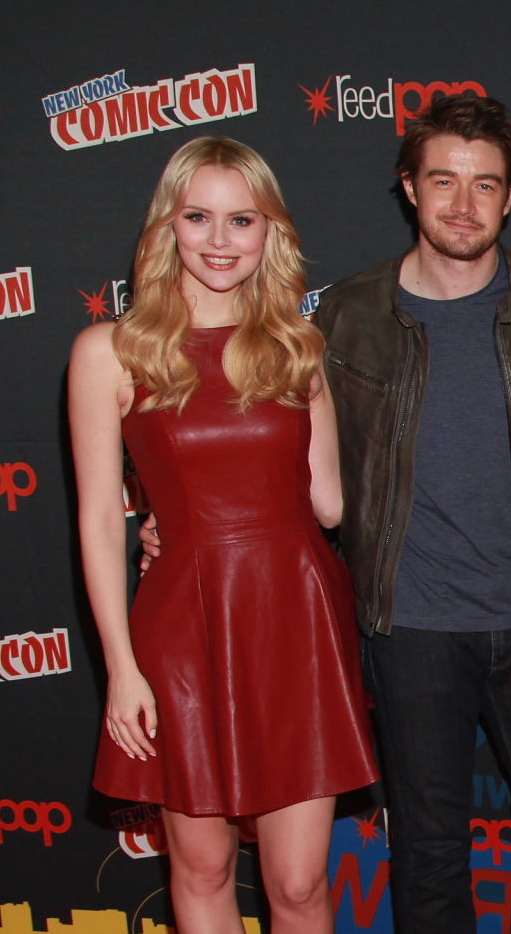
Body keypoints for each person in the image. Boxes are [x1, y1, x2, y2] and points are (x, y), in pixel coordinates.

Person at [71, 136, 377, 932]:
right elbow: (99, 518)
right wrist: (121, 668)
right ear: (165, 226)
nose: (218, 239)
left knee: (300, 886)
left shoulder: (299, 348)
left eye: (241, 219)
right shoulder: (110, 353)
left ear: (269, 230)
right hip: (182, 628)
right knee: (202, 867)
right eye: (197, 217)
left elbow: (329, 505)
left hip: (296, 622)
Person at [313, 95, 511, 931]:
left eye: (485, 185)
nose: (464, 204)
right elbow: (291, 451)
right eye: (444, 181)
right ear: (409, 187)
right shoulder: (347, 316)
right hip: (412, 626)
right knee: (430, 846)